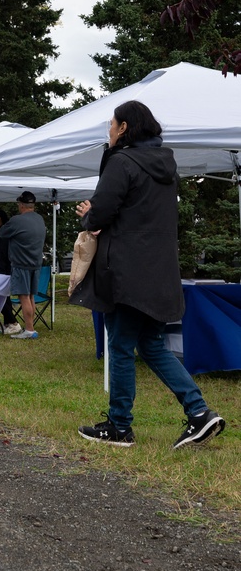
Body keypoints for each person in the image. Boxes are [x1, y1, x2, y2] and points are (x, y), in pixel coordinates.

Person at [71, 100, 226, 449]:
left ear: (124, 127)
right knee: (152, 345)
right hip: (159, 271)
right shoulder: (166, 165)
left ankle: (119, 426)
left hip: (126, 272)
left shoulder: (122, 162)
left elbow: (101, 215)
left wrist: (88, 213)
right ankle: (199, 413)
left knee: (122, 346)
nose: (109, 131)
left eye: (111, 125)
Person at [0, 191, 46, 339]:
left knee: (24, 297)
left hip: (21, 264)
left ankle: (29, 330)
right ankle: (30, 328)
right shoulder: (40, 219)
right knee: (31, 296)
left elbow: (2, 233)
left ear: (21, 205)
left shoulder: (17, 220)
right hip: (36, 264)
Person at [0, 209, 21, 334]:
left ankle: (13, 322)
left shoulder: (3, 233)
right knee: (0, 296)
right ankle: (8, 323)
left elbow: (2, 252)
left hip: (1, 270)